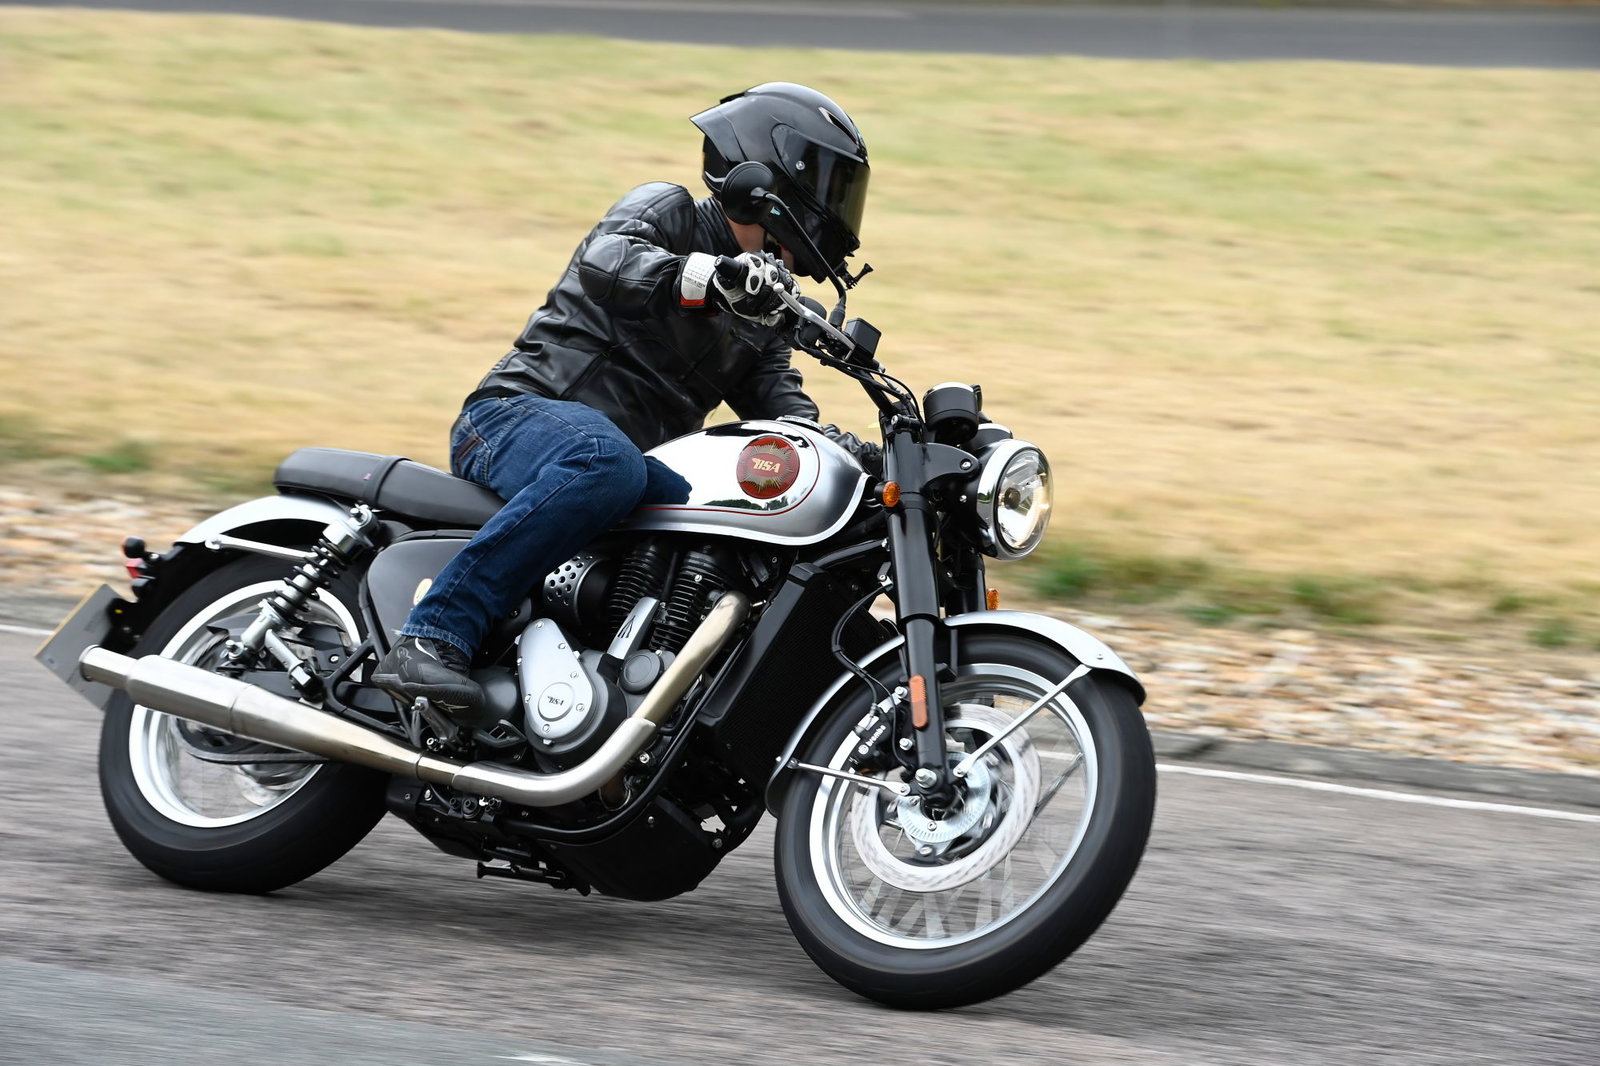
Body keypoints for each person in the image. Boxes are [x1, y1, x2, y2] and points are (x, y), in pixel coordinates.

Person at [372, 82, 875, 727]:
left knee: (745, 517)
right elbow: (610, 261)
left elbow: (784, 414)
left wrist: (851, 457)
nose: (835, 205)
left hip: (623, 466)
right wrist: (703, 276)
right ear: (770, 177)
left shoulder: (763, 310)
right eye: (829, 184)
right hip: (514, 416)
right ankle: (432, 635)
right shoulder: (669, 212)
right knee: (606, 463)